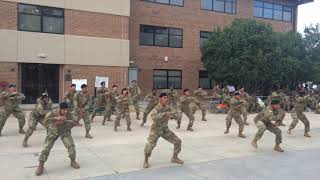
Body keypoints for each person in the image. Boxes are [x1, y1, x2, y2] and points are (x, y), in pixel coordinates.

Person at [35, 102, 80, 176]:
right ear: (60, 109)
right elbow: (45, 121)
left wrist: (66, 121)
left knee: (71, 146)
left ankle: (73, 161)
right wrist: (56, 119)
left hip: (64, 131)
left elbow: (75, 121)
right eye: (63, 110)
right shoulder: (53, 112)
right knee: (47, 147)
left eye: (66, 110)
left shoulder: (69, 114)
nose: (65, 111)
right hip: (54, 131)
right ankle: (41, 165)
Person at [143, 93, 184, 168]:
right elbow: (153, 117)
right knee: (149, 146)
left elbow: (174, 114)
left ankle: (174, 157)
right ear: (160, 99)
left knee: (178, 141)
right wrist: (164, 114)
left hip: (165, 129)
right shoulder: (156, 108)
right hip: (156, 130)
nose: (166, 99)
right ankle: (146, 161)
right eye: (164, 98)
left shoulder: (168, 107)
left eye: (166, 98)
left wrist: (173, 116)